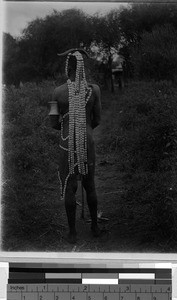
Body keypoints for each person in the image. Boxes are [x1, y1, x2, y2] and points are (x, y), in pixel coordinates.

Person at [49, 48, 102, 244]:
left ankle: (72, 233)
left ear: (67, 68)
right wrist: (84, 128)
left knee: (70, 186)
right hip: (87, 139)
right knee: (90, 185)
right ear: (82, 68)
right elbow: (97, 120)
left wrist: (67, 126)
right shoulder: (94, 90)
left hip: (66, 142)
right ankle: (95, 227)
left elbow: (53, 123)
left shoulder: (58, 92)